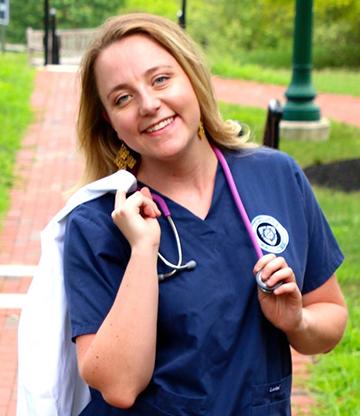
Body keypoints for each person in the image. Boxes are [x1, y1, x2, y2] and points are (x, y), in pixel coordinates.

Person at [63, 12, 348, 415]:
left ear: (192, 78)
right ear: (108, 122)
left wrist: (296, 321)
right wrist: (143, 251)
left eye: (161, 79)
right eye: (122, 98)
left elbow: (331, 317)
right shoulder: (96, 222)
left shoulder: (276, 176)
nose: (148, 104)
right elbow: (120, 386)